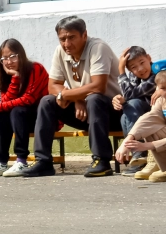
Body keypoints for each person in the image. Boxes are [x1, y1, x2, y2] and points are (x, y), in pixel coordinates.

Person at [21, 16, 121, 178]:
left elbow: (98, 86)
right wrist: (77, 99)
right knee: (47, 102)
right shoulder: (60, 51)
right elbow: (52, 86)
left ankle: (101, 161)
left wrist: (68, 95)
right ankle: (43, 161)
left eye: (71, 37)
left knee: (94, 99)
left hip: (113, 111)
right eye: (62, 39)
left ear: (84, 35)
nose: (67, 44)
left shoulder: (98, 48)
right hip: (85, 111)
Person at [0, 39, 48, 177]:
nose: (9, 61)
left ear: (21, 55)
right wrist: (15, 78)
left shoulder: (36, 68)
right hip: (20, 120)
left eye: (12, 56)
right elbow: (6, 102)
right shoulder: (6, 76)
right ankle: (1, 162)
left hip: (42, 118)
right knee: (5, 113)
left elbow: (28, 99)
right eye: (4, 58)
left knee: (18, 110)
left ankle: (21, 161)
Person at [113, 46, 157, 176]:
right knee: (124, 116)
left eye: (142, 62)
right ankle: (138, 157)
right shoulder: (134, 76)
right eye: (133, 67)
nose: (140, 69)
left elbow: (131, 94)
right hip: (144, 116)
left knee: (133, 104)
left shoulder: (158, 73)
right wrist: (119, 99)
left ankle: (138, 155)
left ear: (149, 58)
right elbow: (128, 96)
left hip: (160, 114)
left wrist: (121, 71)